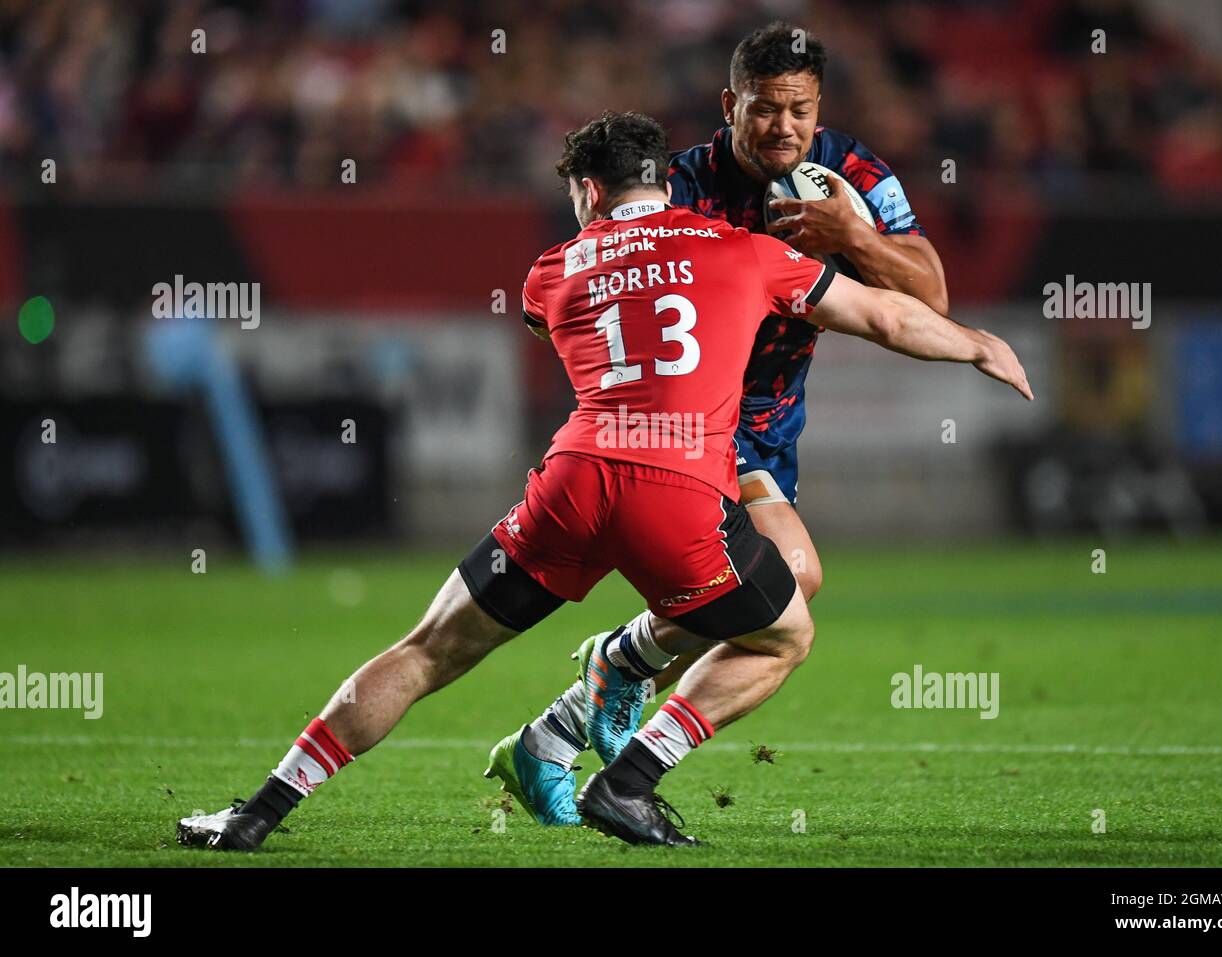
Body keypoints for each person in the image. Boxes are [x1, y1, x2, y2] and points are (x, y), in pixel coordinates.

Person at [177, 110, 1028, 849]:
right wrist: (978, 345)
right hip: (680, 491)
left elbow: (570, 333)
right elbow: (883, 312)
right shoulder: (745, 251)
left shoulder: (551, 271)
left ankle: (256, 815)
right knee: (786, 630)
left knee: (427, 651)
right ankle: (628, 776)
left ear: (587, 190)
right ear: (660, 179)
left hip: (574, 479)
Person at [488, 20, 959, 825]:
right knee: (794, 579)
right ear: (729, 106)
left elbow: (930, 294)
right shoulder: (680, 184)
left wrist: (854, 236)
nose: (783, 126)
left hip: (774, 422)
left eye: (799, 110)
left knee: (749, 596)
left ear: (819, 109)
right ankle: (616, 738)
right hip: (695, 420)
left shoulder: (851, 175)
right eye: (765, 108)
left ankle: (561, 727)